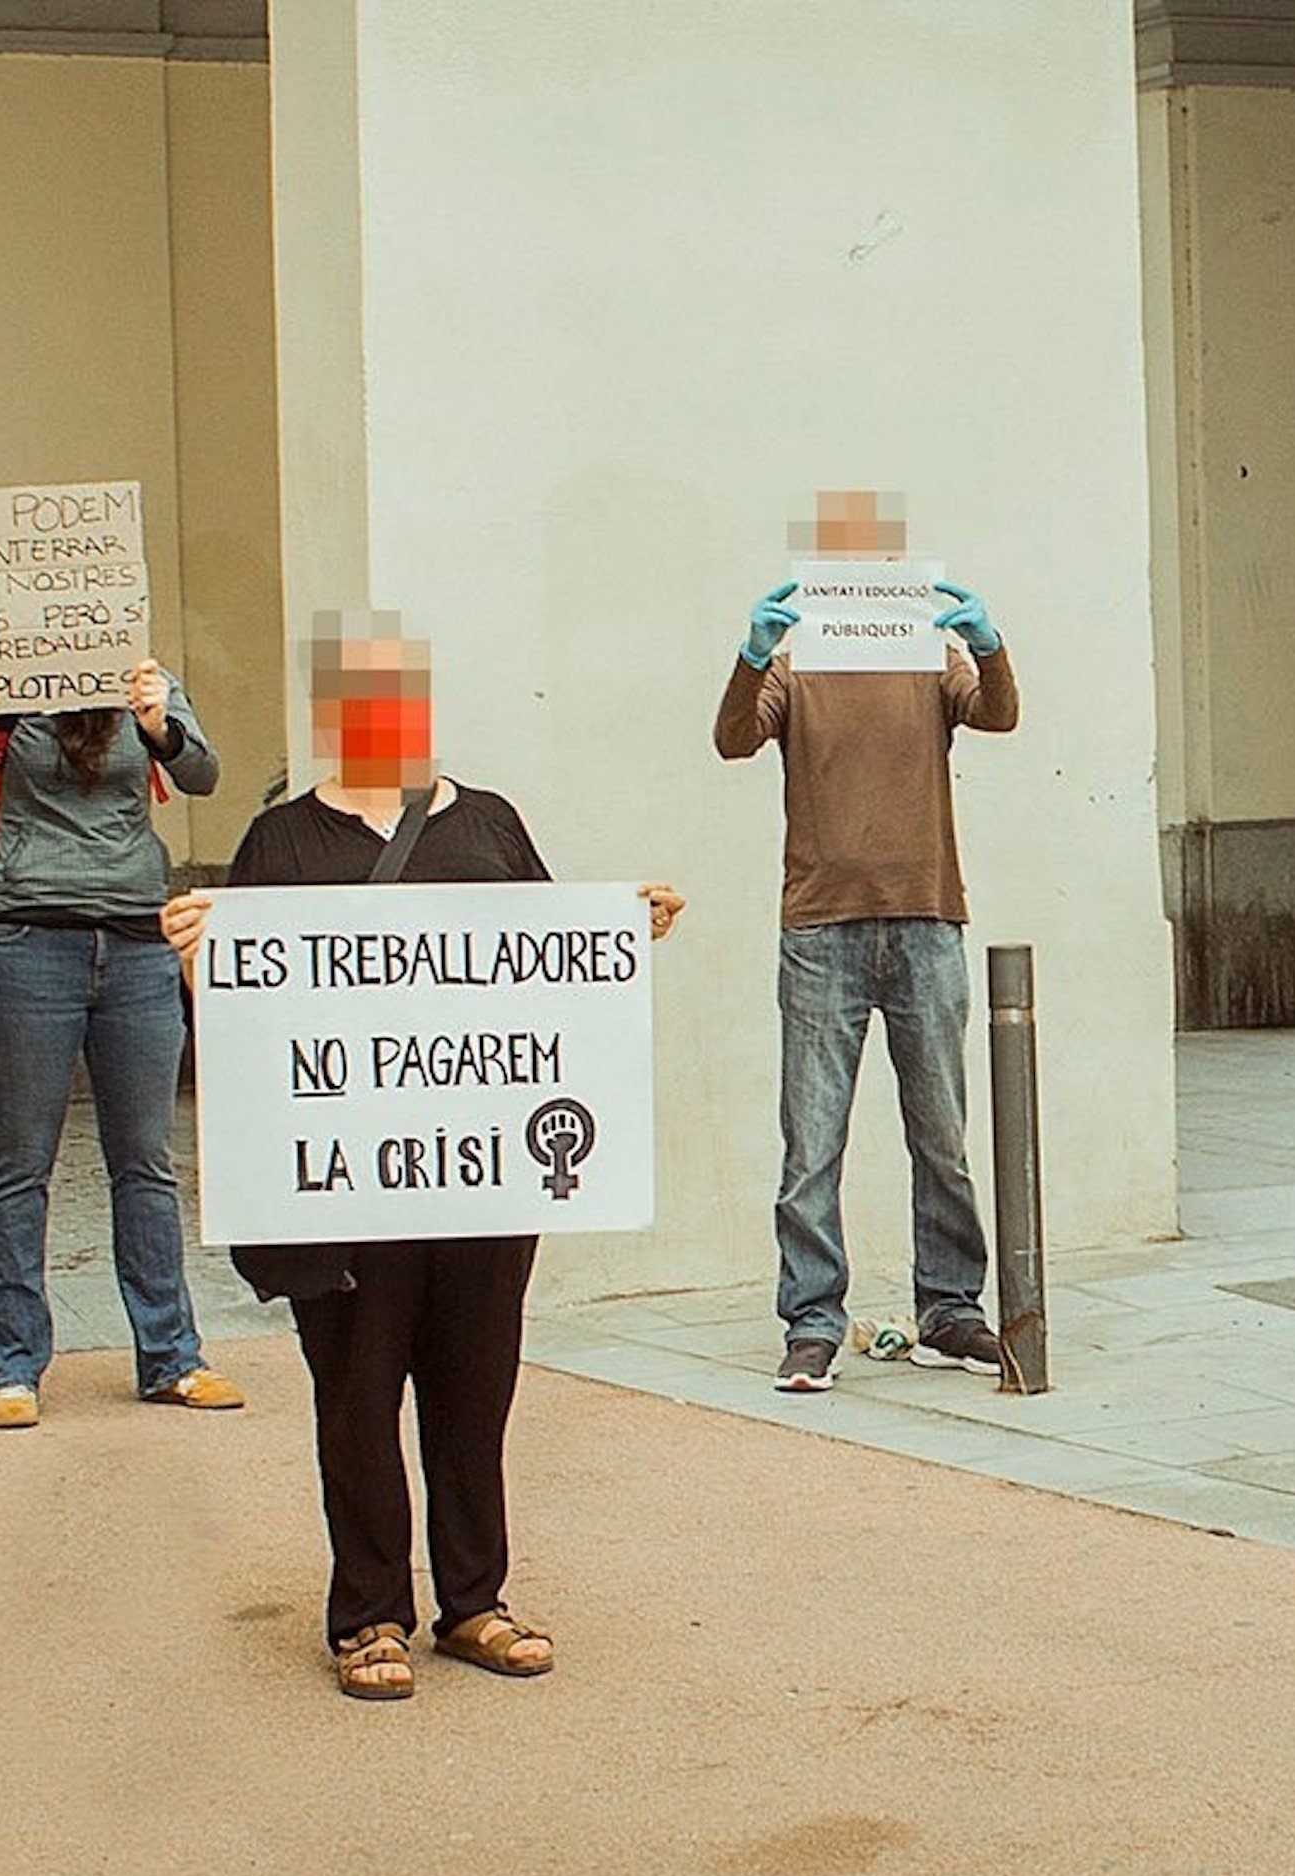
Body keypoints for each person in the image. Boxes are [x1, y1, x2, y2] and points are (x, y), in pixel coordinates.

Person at [164, 617, 685, 1698]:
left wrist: (628, 930)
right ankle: (366, 1614)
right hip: (344, 1186)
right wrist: (192, 963)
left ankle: (475, 1601)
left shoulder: (488, 823)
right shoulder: (281, 841)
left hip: (481, 1174)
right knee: (355, 1392)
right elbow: (247, 1022)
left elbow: (554, 974)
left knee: (473, 1388)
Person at [0, 556, 244, 1429]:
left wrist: (158, 722)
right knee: (21, 1167)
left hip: (133, 947)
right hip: (29, 944)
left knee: (147, 1165)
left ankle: (171, 1355)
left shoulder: (146, 682)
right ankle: (10, 1366)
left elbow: (202, 773)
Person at [712, 491, 1020, 1392]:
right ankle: (811, 1318)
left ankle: (950, 1307)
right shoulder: (795, 661)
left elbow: (998, 716)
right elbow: (732, 739)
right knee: (811, 1142)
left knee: (941, 1131)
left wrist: (990, 643)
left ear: (893, 570)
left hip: (926, 914)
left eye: (875, 558)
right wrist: (750, 654)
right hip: (819, 925)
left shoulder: (930, 653)